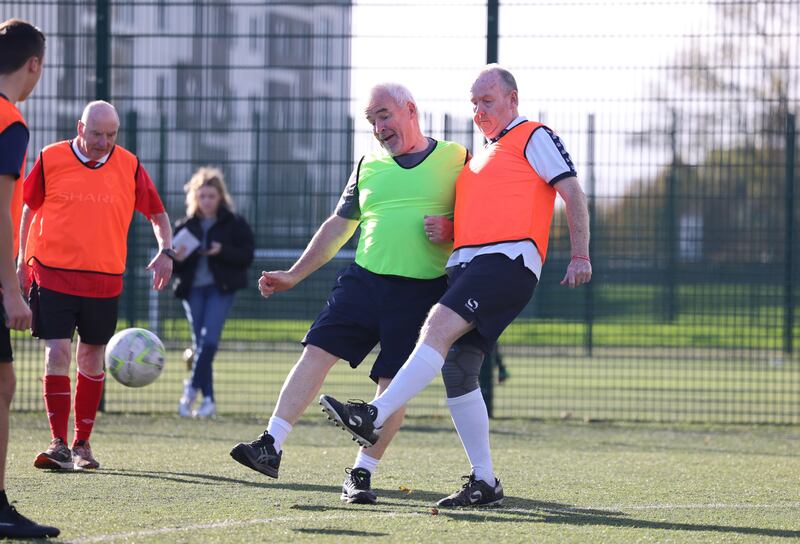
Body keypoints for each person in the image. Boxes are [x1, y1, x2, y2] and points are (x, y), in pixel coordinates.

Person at [320, 65, 592, 507]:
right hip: (470, 266)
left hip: (506, 261)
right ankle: (484, 482)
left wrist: (580, 254)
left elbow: (573, 192)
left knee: (436, 326)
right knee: (459, 370)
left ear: (513, 100)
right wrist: (451, 231)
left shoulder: (533, 135)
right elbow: (485, 213)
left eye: (488, 101)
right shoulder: (482, 154)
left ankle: (373, 412)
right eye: (474, 103)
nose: (479, 110)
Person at [230, 83, 468, 505]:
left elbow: (485, 222)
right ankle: (271, 444)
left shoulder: (458, 158)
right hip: (363, 281)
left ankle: (361, 474)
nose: (378, 127)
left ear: (410, 110)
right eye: (371, 120)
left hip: (422, 292)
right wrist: (293, 275)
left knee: (391, 385)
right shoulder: (368, 164)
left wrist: (454, 230)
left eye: (384, 115)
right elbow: (338, 226)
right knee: (316, 351)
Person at [17, 100, 174, 472]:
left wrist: (166, 251)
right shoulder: (51, 158)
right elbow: (28, 208)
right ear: (80, 128)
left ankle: (82, 445)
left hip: (104, 279)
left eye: (111, 134)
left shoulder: (129, 165)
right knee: (57, 352)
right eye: (97, 134)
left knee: (90, 357)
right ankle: (57, 443)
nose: (104, 142)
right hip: (52, 273)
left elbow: (158, 213)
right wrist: (22, 260)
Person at [0, 18, 60, 539]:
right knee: (2, 385)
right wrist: (12, 289)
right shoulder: (10, 121)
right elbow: (2, 209)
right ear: (34, 64)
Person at [173, 167, 254, 418]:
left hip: (221, 290)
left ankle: (191, 389)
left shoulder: (235, 223)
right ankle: (208, 401)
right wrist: (177, 257)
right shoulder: (185, 225)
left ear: (220, 197)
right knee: (200, 345)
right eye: (202, 196)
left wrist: (222, 251)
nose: (207, 201)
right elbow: (174, 265)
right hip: (193, 291)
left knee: (209, 342)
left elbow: (246, 256)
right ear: (195, 197)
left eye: (211, 196)